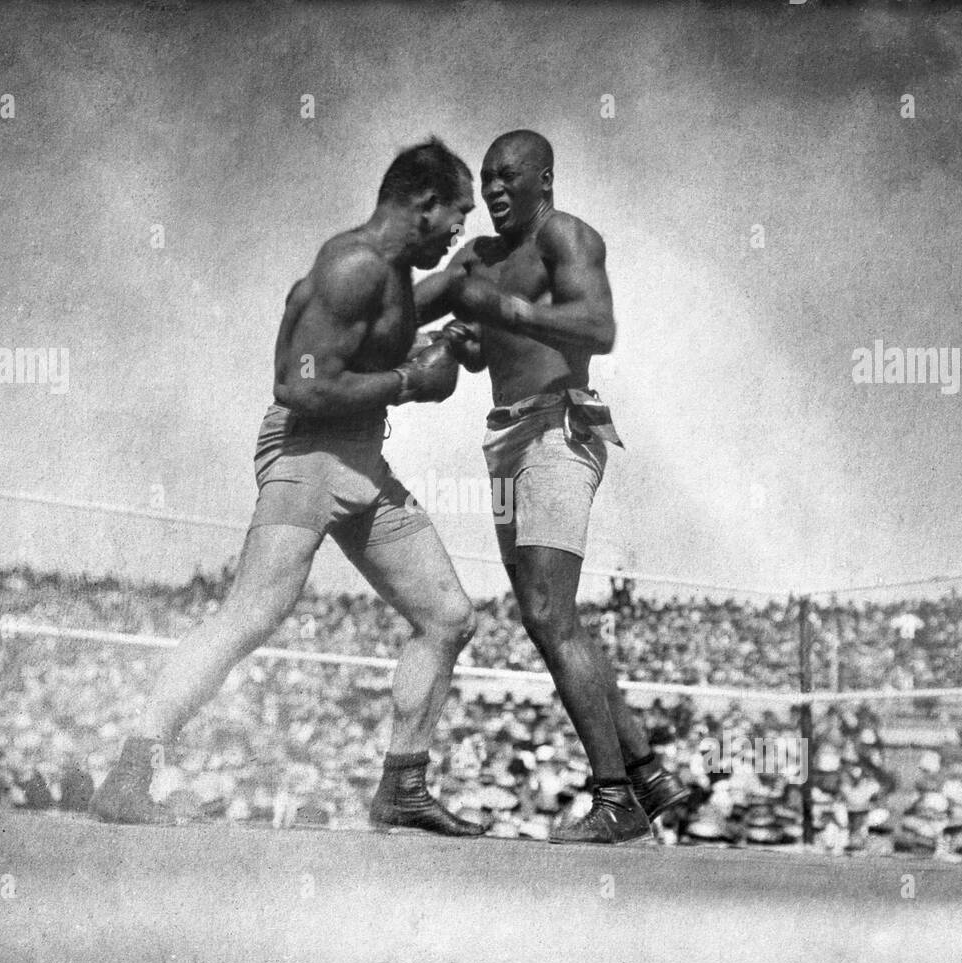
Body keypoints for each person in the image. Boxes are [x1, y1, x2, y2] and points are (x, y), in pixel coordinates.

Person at [93, 138, 487, 836]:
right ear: (423, 204)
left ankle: (402, 786)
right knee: (252, 614)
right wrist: (408, 381)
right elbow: (300, 384)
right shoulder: (354, 266)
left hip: (362, 460)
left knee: (449, 615)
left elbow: (396, 330)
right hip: (308, 451)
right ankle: (131, 770)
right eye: (457, 216)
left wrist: (450, 338)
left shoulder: (390, 273)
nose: (461, 231)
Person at [414, 130, 688, 843]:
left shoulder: (566, 235)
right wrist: (461, 345)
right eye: (488, 180)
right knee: (548, 614)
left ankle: (615, 796)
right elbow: (484, 353)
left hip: (559, 429)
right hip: (503, 438)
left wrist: (510, 313)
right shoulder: (478, 256)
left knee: (546, 608)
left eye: (510, 176)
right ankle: (648, 773)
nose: (497, 190)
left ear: (546, 178)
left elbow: (600, 327)